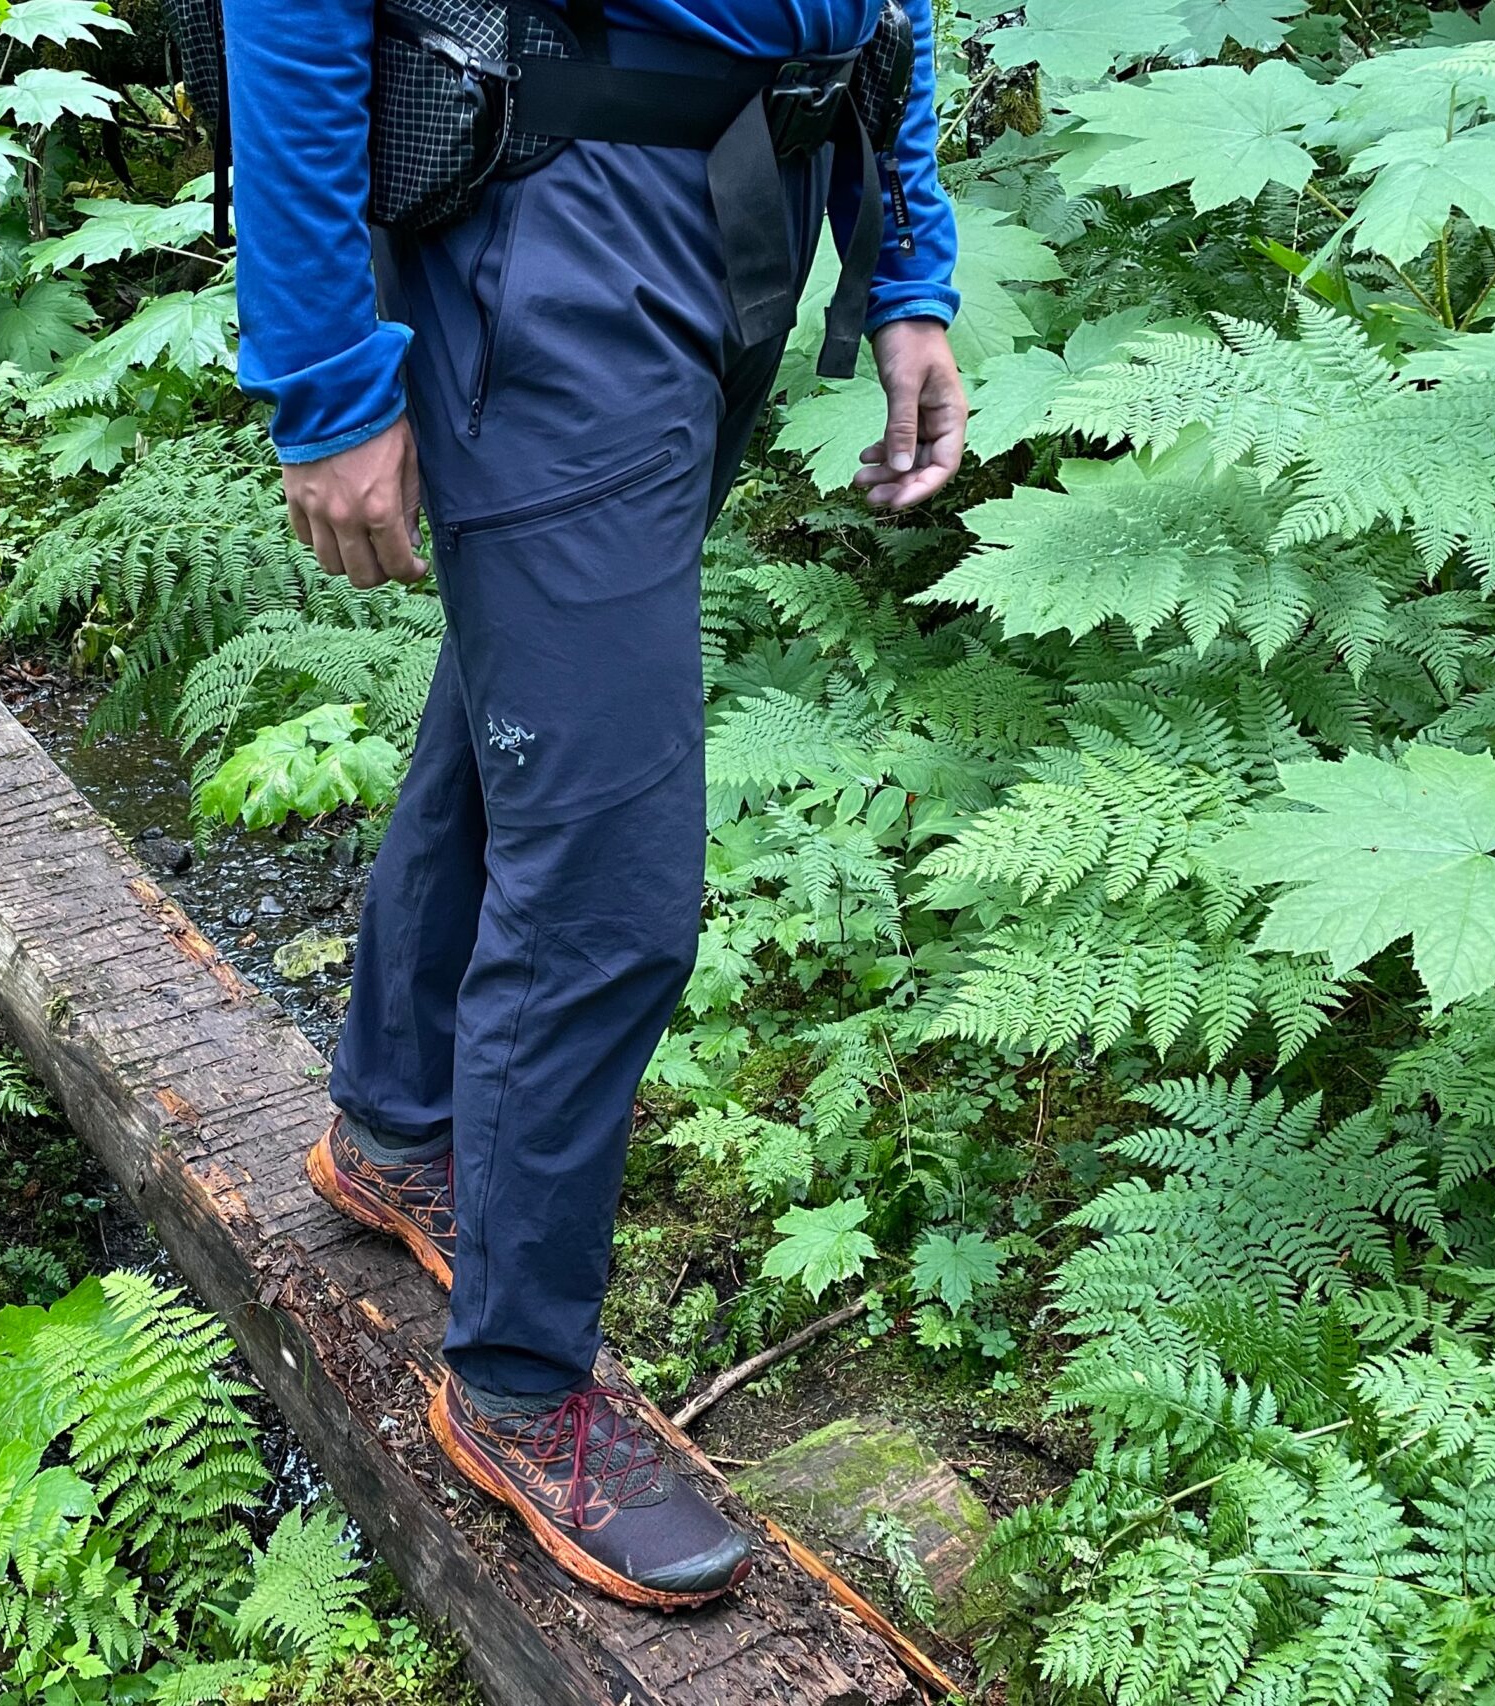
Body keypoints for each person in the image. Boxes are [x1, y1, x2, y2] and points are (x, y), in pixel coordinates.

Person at [224, 0, 964, 1611]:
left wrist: (903, 264)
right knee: (614, 869)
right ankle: (513, 1379)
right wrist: (324, 369)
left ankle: (399, 1119)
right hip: (557, 203)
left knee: (544, 704)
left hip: (749, 191)